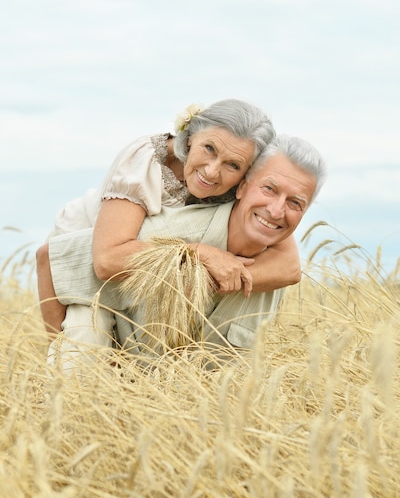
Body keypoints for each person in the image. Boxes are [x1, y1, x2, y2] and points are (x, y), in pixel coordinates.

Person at [46, 134, 326, 372]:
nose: (277, 211)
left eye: (295, 203)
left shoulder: (276, 271)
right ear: (242, 187)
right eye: (269, 189)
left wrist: (219, 280)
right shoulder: (172, 231)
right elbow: (50, 258)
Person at [37, 99, 302, 338]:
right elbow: (107, 260)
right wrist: (197, 254)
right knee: (83, 342)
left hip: (144, 265)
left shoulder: (242, 185)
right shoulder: (146, 162)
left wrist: (208, 281)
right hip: (90, 242)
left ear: (247, 175)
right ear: (190, 137)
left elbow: (289, 266)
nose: (211, 172)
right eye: (208, 148)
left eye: (232, 165)